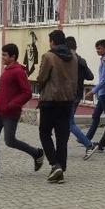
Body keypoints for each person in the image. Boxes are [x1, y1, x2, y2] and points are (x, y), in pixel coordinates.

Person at [0, 44, 44, 180]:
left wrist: (12, 104)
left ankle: (37, 153)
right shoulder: (7, 69)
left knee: (10, 141)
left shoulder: (18, 71)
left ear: (13, 57)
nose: (2, 57)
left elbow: (27, 93)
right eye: (2, 54)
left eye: (4, 55)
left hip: (11, 113)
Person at [37, 30, 77, 185]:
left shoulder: (49, 56)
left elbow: (41, 78)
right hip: (67, 102)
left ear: (52, 41)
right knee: (62, 137)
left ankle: (55, 164)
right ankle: (61, 168)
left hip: (50, 101)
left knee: (44, 133)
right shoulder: (73, 57)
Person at [65, 36, 96, 159]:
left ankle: (89, 144)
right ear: (75, 47)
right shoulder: (81, 60)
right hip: (77, 95)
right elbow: (90, 76)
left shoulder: (68, 60)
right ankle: (61, 147)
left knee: (70, 123)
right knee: (67, 122)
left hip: (69, 95)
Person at [84, 40, 105, 142]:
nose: (97, 50)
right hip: (102, 93)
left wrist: (93, 91)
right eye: (96, 49)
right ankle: (87, 138)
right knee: (96, 115)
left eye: (99, 48)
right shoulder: (103, 59)